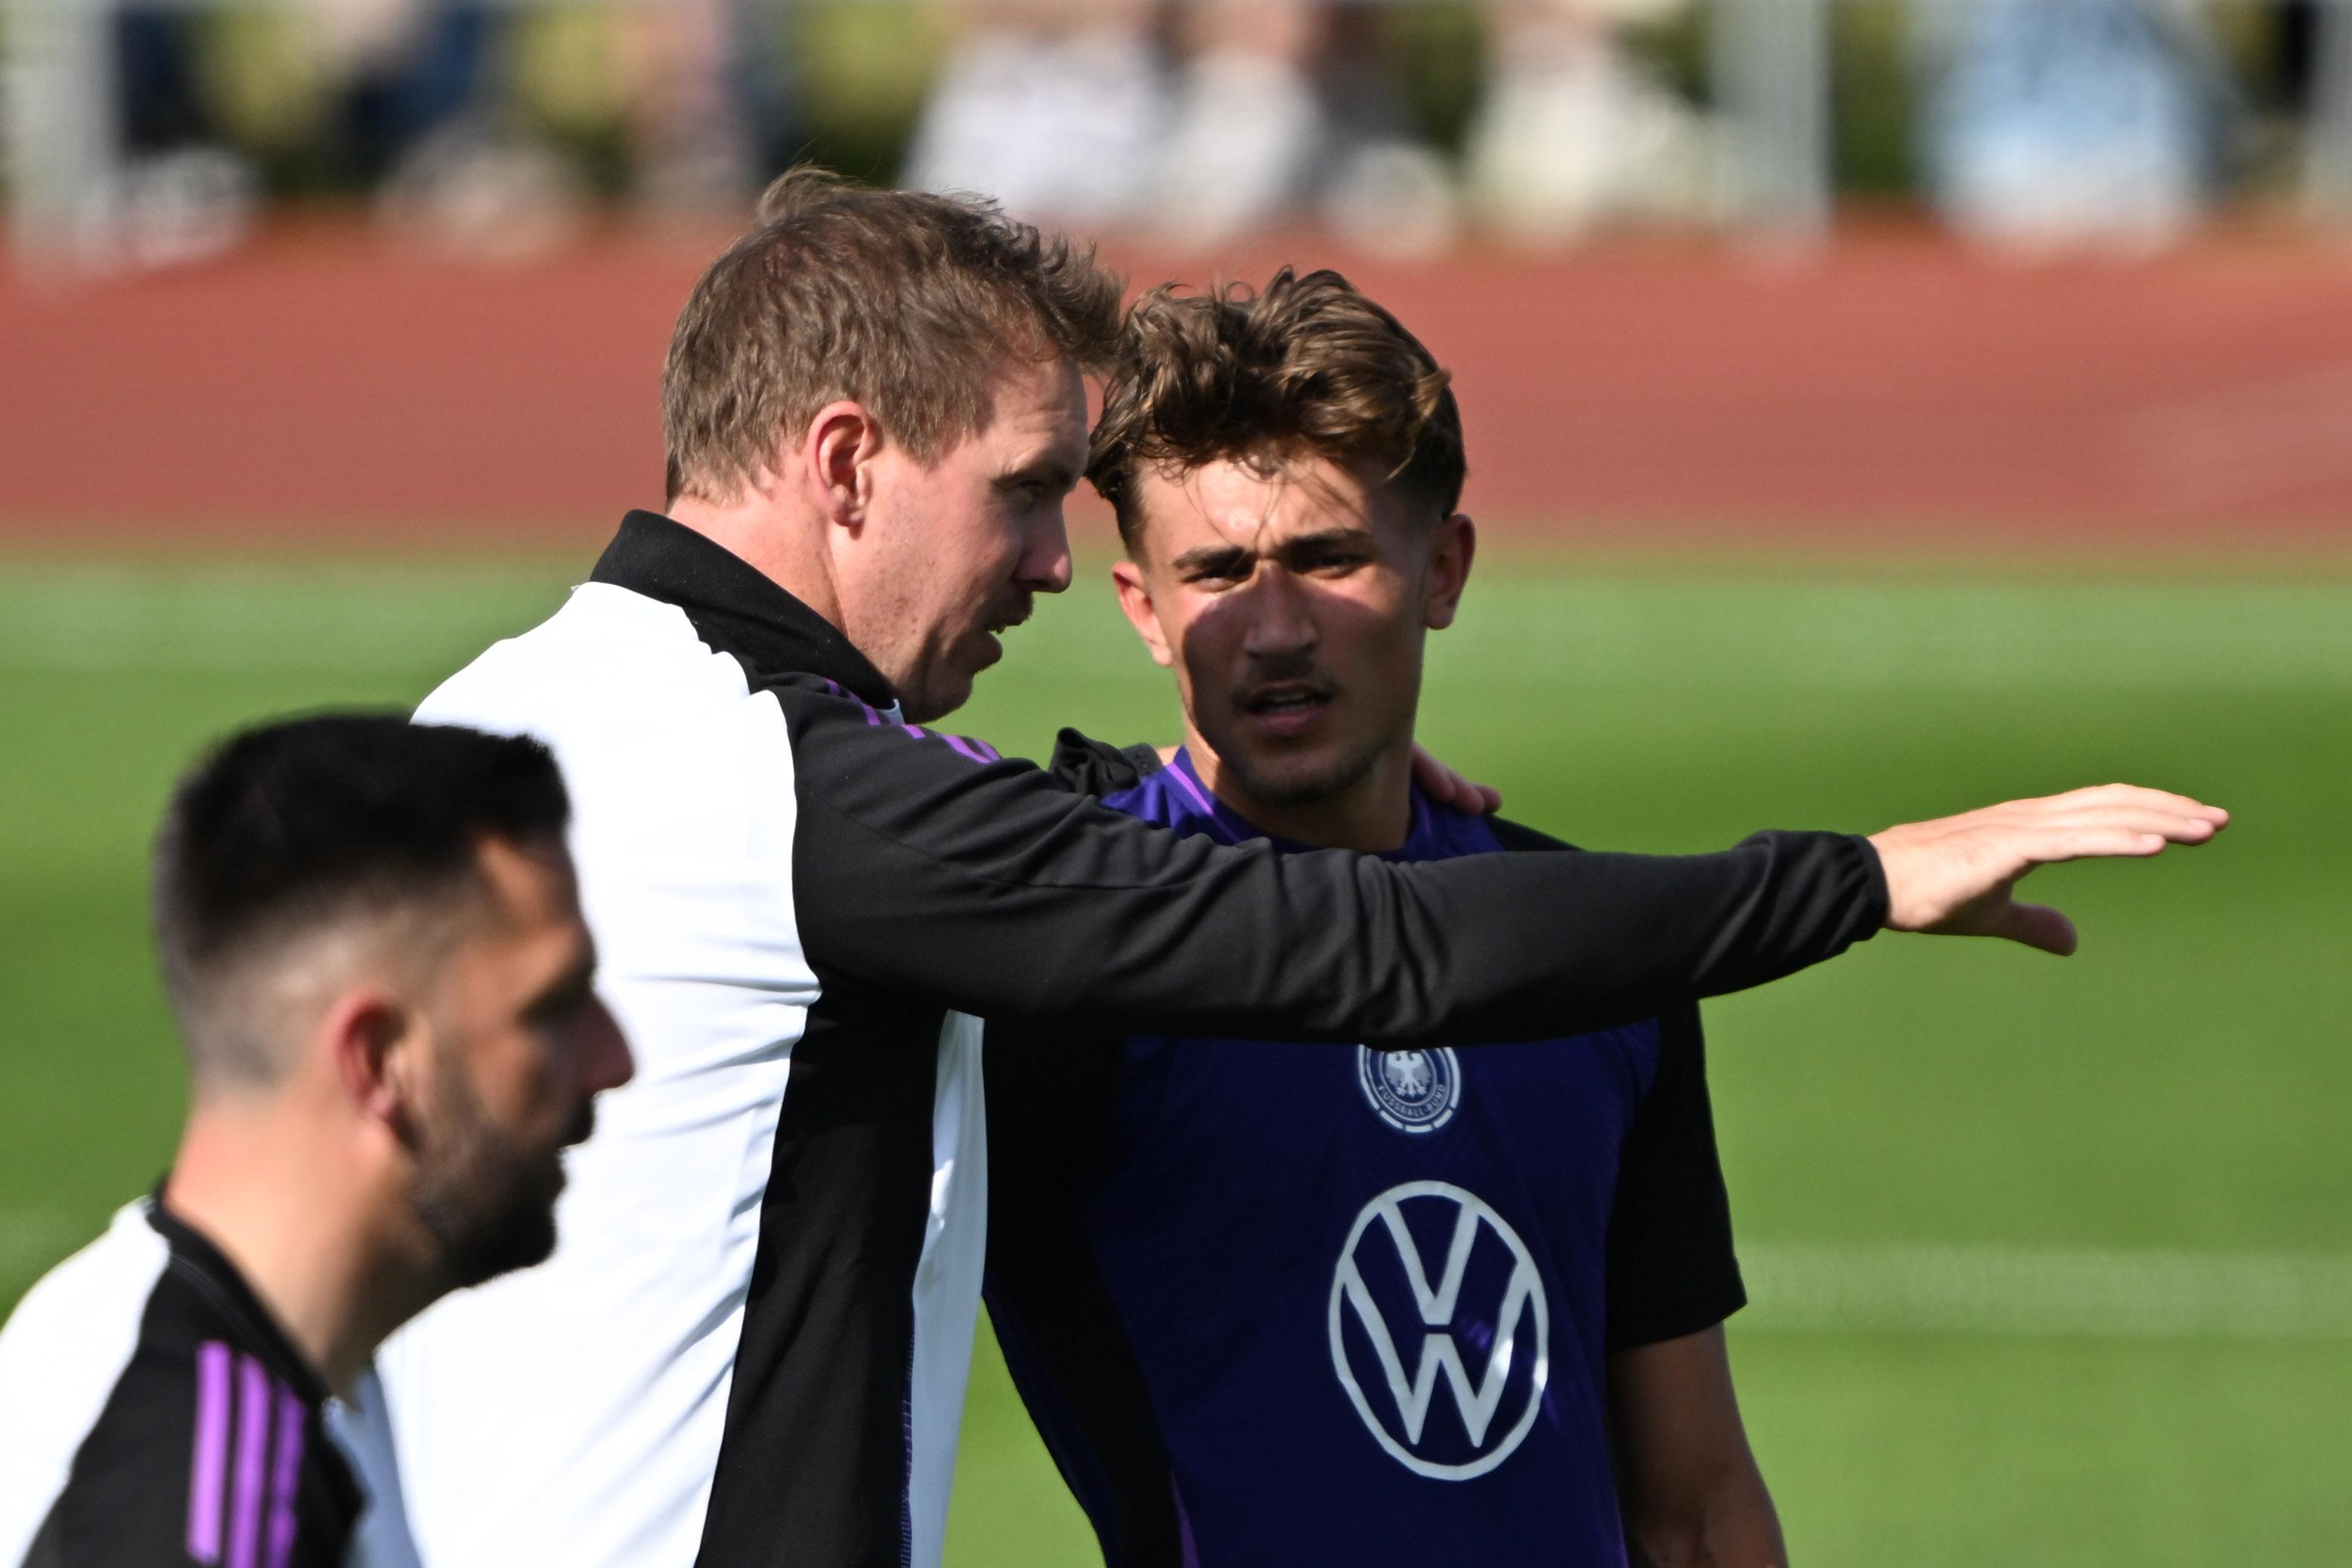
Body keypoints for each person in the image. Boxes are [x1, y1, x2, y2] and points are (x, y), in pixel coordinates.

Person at [379, 168, 2224, 1568]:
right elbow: (1296, 937)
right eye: (1032, 491)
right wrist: (1860, 875)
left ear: (1441, 570)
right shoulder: (797, 800)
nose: (1034, 557)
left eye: (1328, 564)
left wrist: (1336, 810)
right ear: (850, 459)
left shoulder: (505, 725)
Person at [983, 268, 1787, 1566]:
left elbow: (1692, 1509)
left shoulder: (1588, 954)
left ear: (1444, 569)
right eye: (1216, 573)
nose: (1273, 628)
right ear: (1143, 610)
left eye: (1328, 558)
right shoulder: (1060, 951)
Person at [0, 714, 634, 1566]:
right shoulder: (200, 1491)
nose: (613, 1059)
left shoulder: (282, 1388)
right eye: (551, 1010)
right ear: (380, 1062)